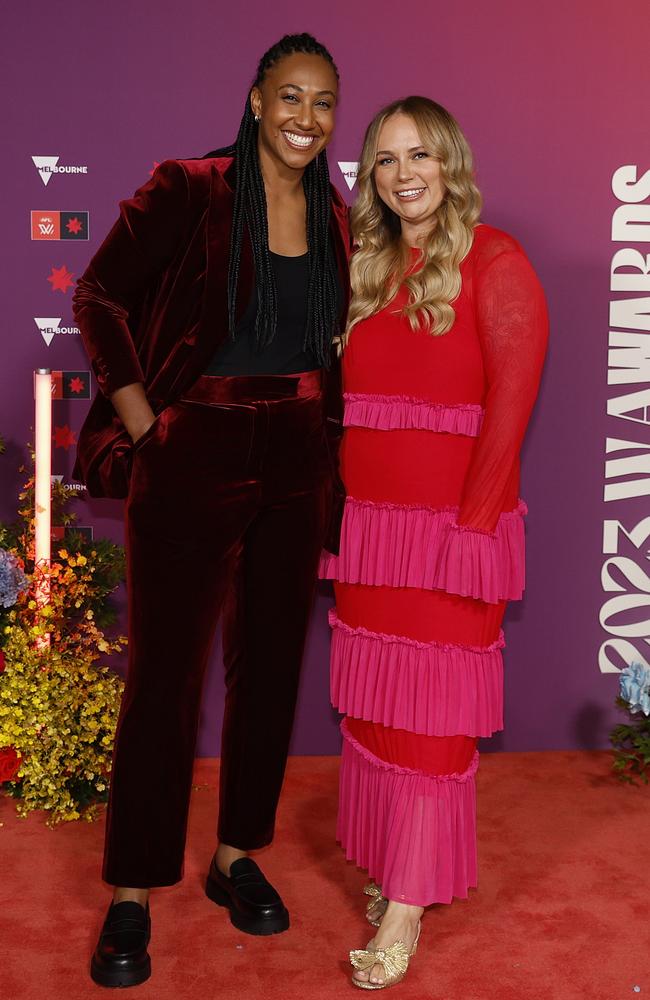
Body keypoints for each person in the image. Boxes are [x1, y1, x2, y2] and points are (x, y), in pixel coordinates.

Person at [72, 33, 350, 989]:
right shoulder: (190, 186)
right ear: (256, 97)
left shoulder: (337, 212)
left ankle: (237, 855)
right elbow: (100, 290)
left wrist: (330, 451)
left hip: (298, 454)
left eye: (322, 103)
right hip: (196, 444)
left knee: (270, 668)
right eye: (290, 97)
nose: (305, 119)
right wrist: (147, 422)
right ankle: (134, 889)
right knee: (165, 678)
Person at [319, 96, 548, 989]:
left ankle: (408, 905)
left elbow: (510, 412)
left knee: (432, 721)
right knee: (379, 709)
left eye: (419, 155)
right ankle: (395, 869)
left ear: (450, 161)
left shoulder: (498, 262)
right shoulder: (366, 265)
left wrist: (475, 530)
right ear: (369, 177)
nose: (403, 174)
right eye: (384, 159)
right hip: (369, 536)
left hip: (453, 533)